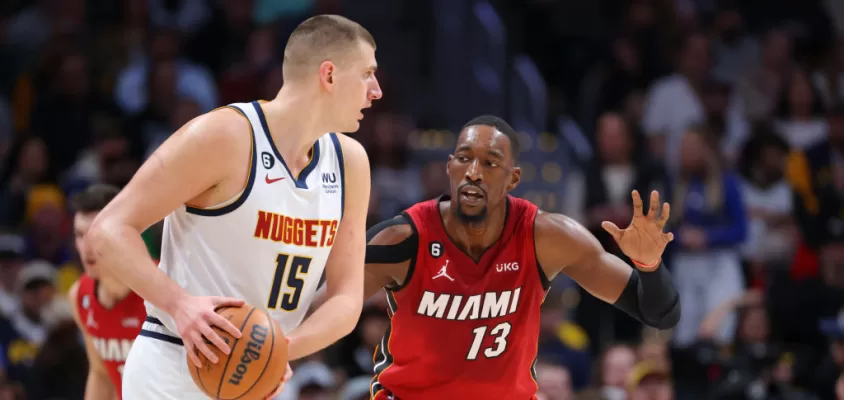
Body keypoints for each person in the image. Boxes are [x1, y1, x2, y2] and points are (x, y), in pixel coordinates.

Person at [87, 15, 381, 400]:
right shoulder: (224, 136)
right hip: (175, 368)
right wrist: (180, 305)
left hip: (260, 380)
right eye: (367, 74)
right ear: (328, 75)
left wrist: (278, 350)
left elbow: (346, 298)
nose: (376, 91)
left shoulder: (350, 163)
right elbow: (107, 231)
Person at [361, 116, 680, 399]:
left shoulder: (546, 237)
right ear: (449, 166)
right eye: (464, 158)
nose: (473, 172)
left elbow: (661, 314)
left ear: (513, 178)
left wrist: (649, 265)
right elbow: (323, 303)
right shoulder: (405, 238)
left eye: (490, 163)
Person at [68, 184, 146, 399]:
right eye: (79, 235)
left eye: (95, 233)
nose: (86, 248)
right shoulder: (79, 295)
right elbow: (100, 373)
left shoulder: (165, 285)